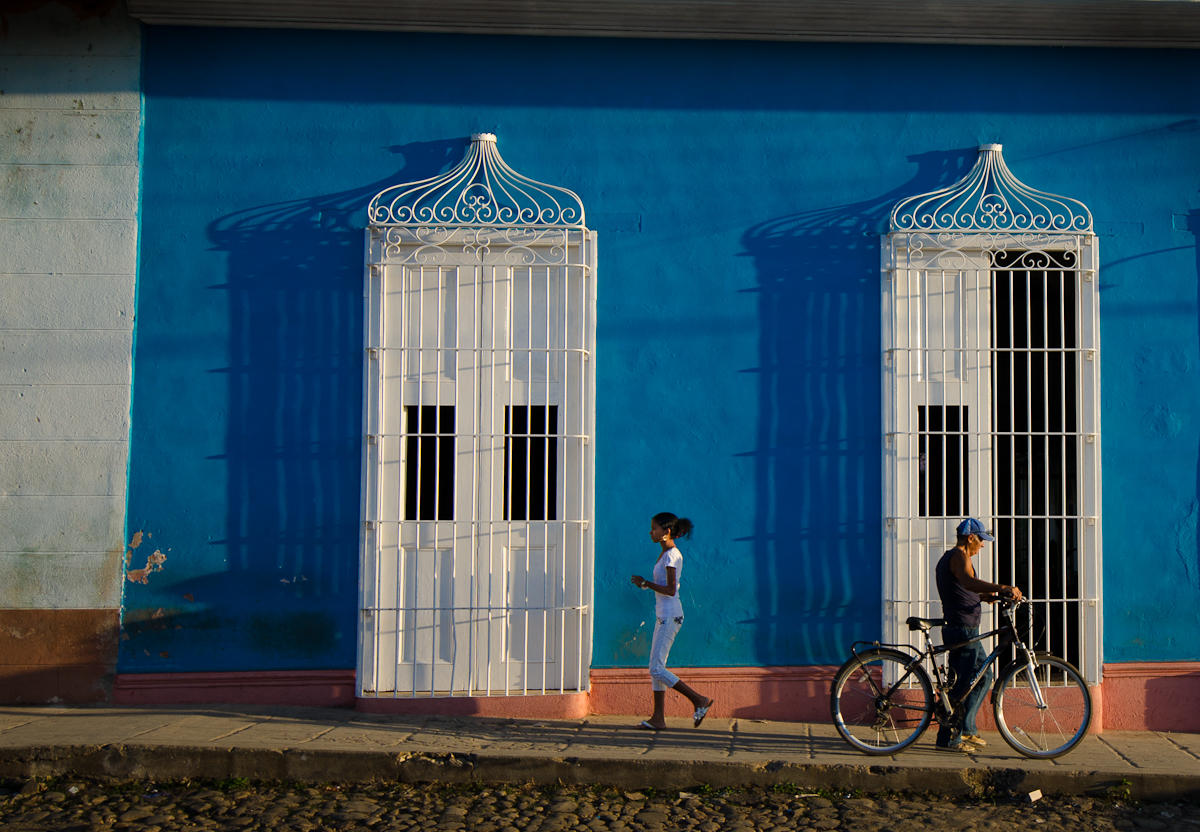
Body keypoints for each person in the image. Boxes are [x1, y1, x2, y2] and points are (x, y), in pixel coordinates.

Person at [934, 517, 1023, 752]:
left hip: (967, 628)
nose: (983, 545)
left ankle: (966, 729)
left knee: (983, 677)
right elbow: (968, 582)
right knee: (961, 686)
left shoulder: (956, 558)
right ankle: (949, 739)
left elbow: (964, 589)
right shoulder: (958, 556)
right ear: (970, 537)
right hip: (961, 629)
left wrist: (986, 597)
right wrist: (1001, 587)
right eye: (981, 540)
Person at [629, 512, 714, 730]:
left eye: (654, 529)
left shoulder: (671, 556)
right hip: (663, 616)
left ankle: (699, 700)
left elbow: (670, 589)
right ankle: (658, 719)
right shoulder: (665, 553)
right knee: (656, 667)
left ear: (666, 532)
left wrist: (645, 583)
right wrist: (645, 584)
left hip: (670, 616)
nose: (651, 532)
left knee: (656, 669)